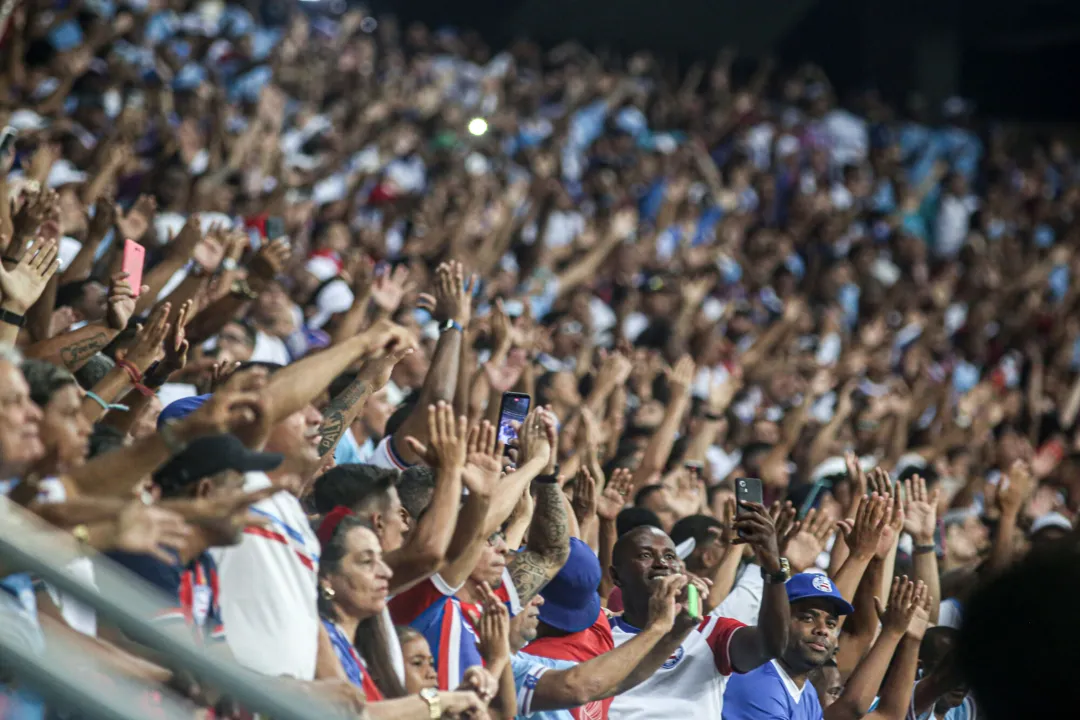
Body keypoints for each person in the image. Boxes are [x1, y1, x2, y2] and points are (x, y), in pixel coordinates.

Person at [606, 503, 791, 720]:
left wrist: (773, 570)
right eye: (646, 555)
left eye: (669, 556)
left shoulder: (712, 631)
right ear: (616, 577)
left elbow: (772, 645)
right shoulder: (599, 634)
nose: (661, 564)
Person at [721, 572, 854, 720]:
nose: (823, 630)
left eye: (831, 624)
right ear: (778, 621)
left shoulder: (806, 691)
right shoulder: (757, 681)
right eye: (807, 618)